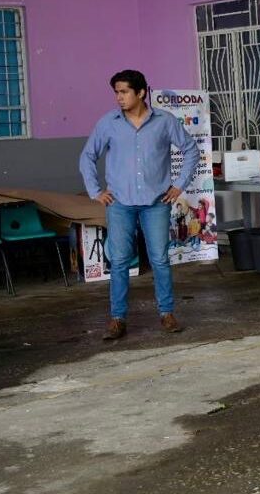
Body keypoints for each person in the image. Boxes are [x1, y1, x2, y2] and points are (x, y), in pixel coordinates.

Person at [79, 69, 199, 341]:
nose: (118, 98)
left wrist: (179, 184)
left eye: (124, 92)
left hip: (156, 203)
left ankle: (167, 313)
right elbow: (87, 156)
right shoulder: (108, 123)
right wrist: (95, 191)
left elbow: (190, 150)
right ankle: (117, 319)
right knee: (120, 261)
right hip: (119, 203)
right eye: (116, 93)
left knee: (159, 259)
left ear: (141, 92)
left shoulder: (165, 121)